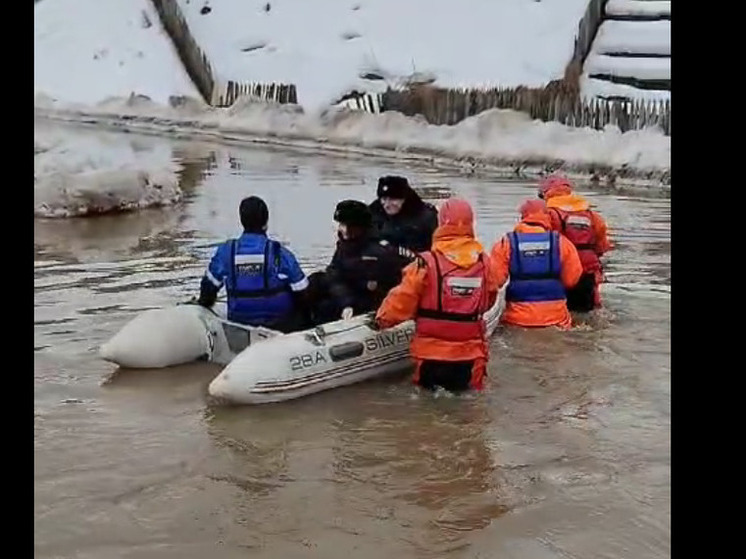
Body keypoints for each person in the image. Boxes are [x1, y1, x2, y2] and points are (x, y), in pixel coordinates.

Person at [374, 197, 500, 393]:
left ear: (441, 223)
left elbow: (402, 301)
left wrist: (381, 321)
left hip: (431, 355)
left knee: (428, 411)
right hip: (471, 355)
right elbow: (489, 299)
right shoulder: (485, 263)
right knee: (468, 410)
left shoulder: (425, 262)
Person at [197, 196, 310, 333]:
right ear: (266, 223)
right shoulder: (279, 253)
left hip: (239, 323)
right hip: (280, 326)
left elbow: (207, 291)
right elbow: (303, 292)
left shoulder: (226, 252)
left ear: (242, 221)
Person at [306, 199, 413, 324]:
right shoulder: (345, 246)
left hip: (372, 302)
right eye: (341, 225)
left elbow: (392, 284)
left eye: (348, 226)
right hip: (347, 298)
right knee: (315, 282)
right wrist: (345, 303)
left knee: (326, 307)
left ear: (360, 227)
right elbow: (335, 275)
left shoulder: (382, 252)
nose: (343, 230)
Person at [489, 199, 583, 330]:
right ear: (547, 217)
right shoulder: (562, 243)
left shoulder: (506, 243)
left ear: (523, 217)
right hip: (556, 318)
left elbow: (494, 280)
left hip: (517, 319)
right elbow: (571, 280)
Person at [538, 174, 613, 312]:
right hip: (588, 269)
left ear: (545, 193)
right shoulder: (592, 215)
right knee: (587, 312)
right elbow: (602, 246)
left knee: (560, 313)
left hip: (560, 269)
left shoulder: (548, 214)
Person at [369, 175, 438, 253]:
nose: (387, 204)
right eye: (384, 199)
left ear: (405, 199)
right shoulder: (373, 212)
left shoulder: (425, 218)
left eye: (393, 199)